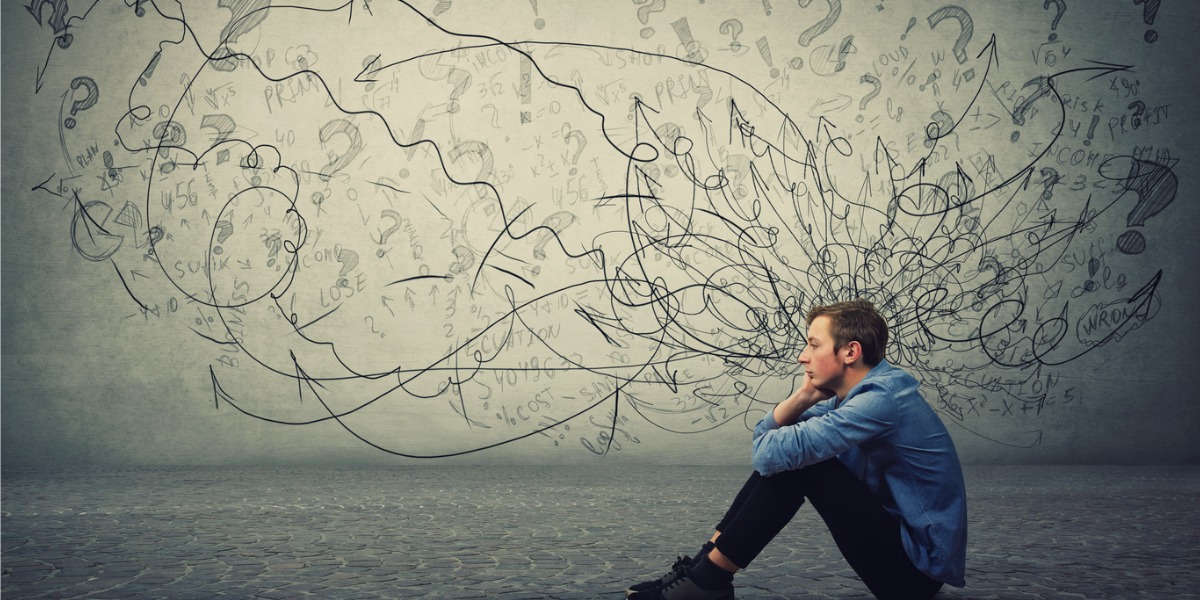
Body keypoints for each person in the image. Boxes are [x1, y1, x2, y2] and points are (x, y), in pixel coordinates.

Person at [625, 299, 967, 600]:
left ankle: (707, 580)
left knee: (800, 463)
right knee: (791, 458)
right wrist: (802, 397)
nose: (803, 356)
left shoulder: (880, 400)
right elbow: (769, 440)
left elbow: (769, 452)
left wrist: (795, 412)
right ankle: (702, 571)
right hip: (902, 558)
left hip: (915, 575)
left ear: (850, 351)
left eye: (813, 344)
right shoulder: (851, 396)